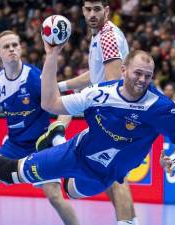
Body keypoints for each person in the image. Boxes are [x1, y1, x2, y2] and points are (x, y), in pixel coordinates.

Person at [0, 49, 175, 225]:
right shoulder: (99, 94)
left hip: (102, 175)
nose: (143, 80)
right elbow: (52, 105)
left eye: (148, 75)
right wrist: (52, 55)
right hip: (75, 153)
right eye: (137, 73)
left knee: (69, 191)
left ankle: (56, 139)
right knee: (12, 172)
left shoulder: (161, 107)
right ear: (124, 71)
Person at [0, 31, 79, 225]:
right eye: (6, 46)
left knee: (55, 196)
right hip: (13, 147)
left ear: (20, 48)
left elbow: (67, 106)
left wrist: (59, 128)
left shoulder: (36, 77)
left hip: (41, 146)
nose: (11, 49)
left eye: (15, 45)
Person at [55, 1, 135, 224]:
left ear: (107, 11)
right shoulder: (99, 35)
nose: (92, 14)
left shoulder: (108, 37)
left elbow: (112, 83)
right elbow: (95, 74)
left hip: (115, 116)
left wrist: (80, 100)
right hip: (109, 114)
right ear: (82, 11)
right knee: (110, 175)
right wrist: (60, 86)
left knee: (115, 176)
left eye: (97, 9)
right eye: (88, 9)